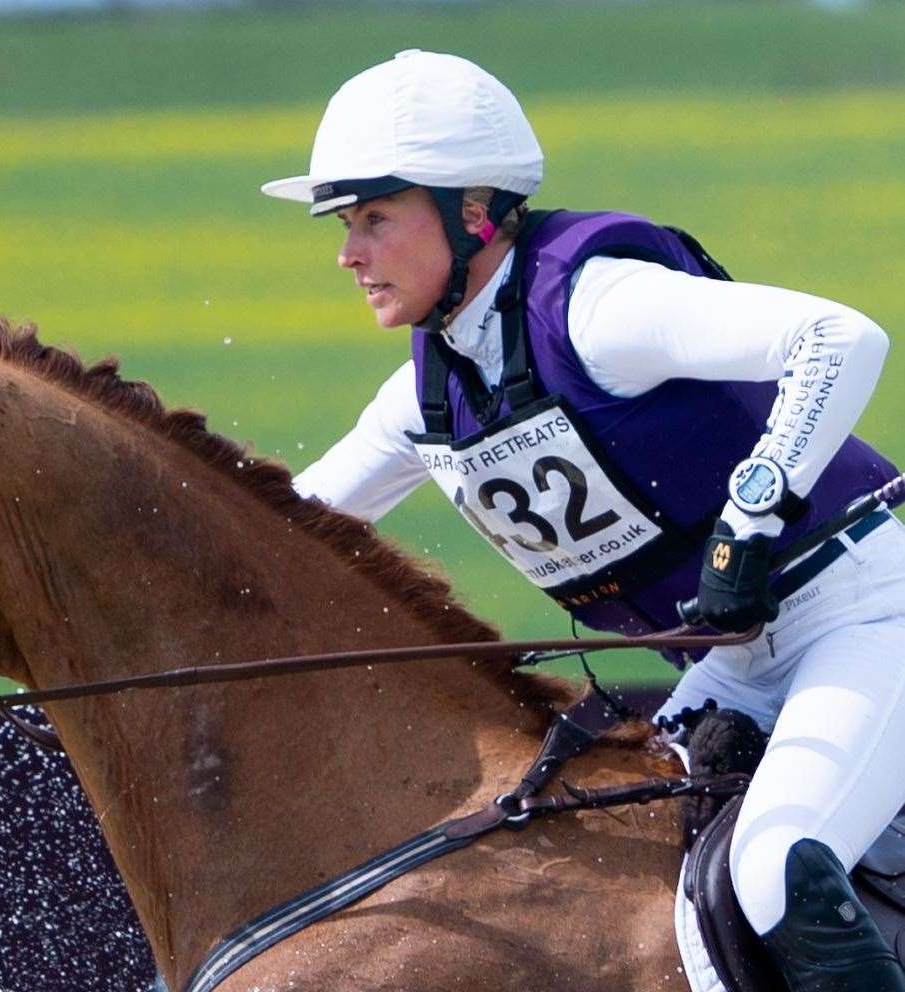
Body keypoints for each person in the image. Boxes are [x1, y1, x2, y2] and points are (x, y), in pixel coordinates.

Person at [264, 49, 905, 991]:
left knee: (774, 878)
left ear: (472, 212)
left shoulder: (597, 306)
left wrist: (751, 509)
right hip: (739, 666)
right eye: (344, 225)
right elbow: (291, 531)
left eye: (372, 219)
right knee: (630, 868)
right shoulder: (427, 394)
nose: (347, 254)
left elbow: (840, 337)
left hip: (867, 610)